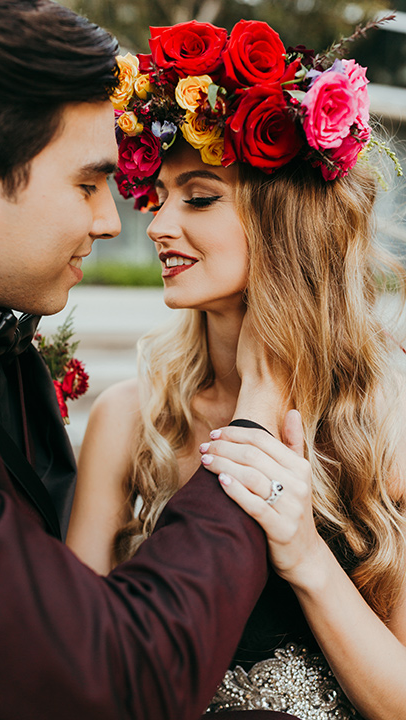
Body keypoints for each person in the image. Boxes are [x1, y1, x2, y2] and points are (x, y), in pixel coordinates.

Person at [0, 2, 302, 719]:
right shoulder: (132, 416)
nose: (113, 222)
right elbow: (116, 677)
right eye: (87, 184)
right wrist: (250, 431)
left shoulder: (4, 351)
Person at [67, 17, 406, 720]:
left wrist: (306, 556)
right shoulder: (129, 419)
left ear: (282, 222)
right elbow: (73, 673)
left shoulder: (388, 416)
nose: (158, 226)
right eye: (157, 197)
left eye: (198, 197)